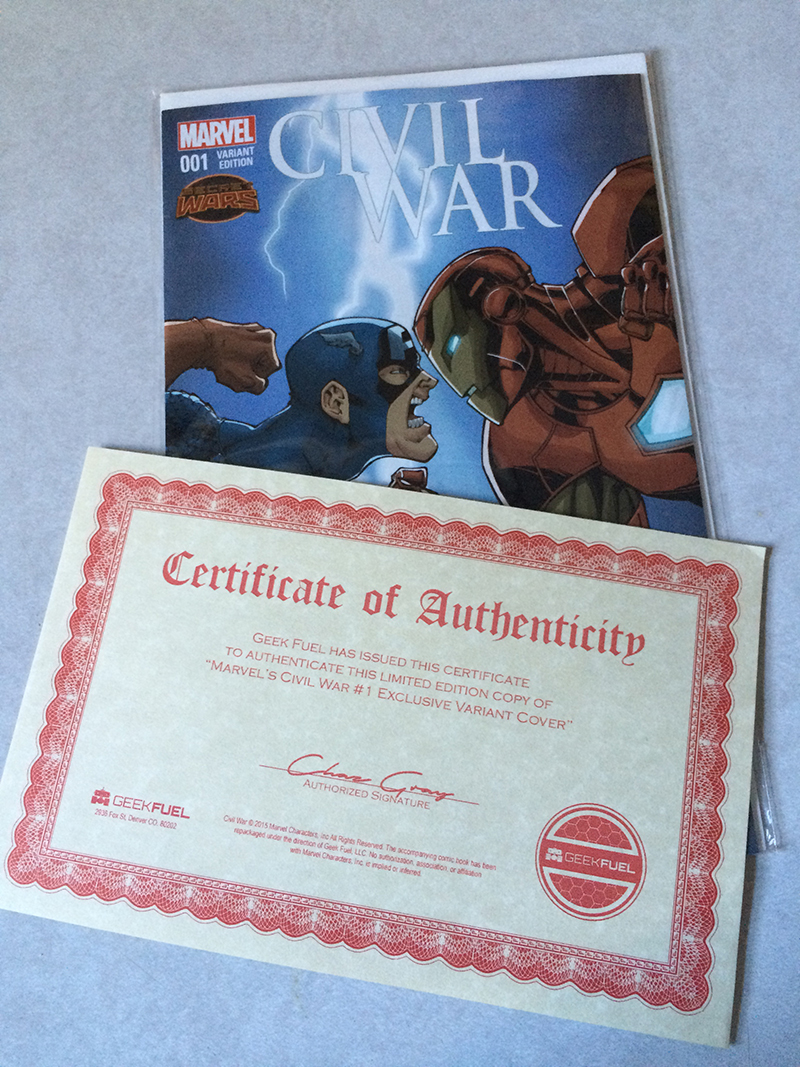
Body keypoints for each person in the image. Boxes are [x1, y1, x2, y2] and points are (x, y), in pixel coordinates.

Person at [166, 317, 438, 480]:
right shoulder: (267, 479)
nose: (429, 380)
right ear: (336, 402)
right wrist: (202, 339)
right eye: (398, 371)